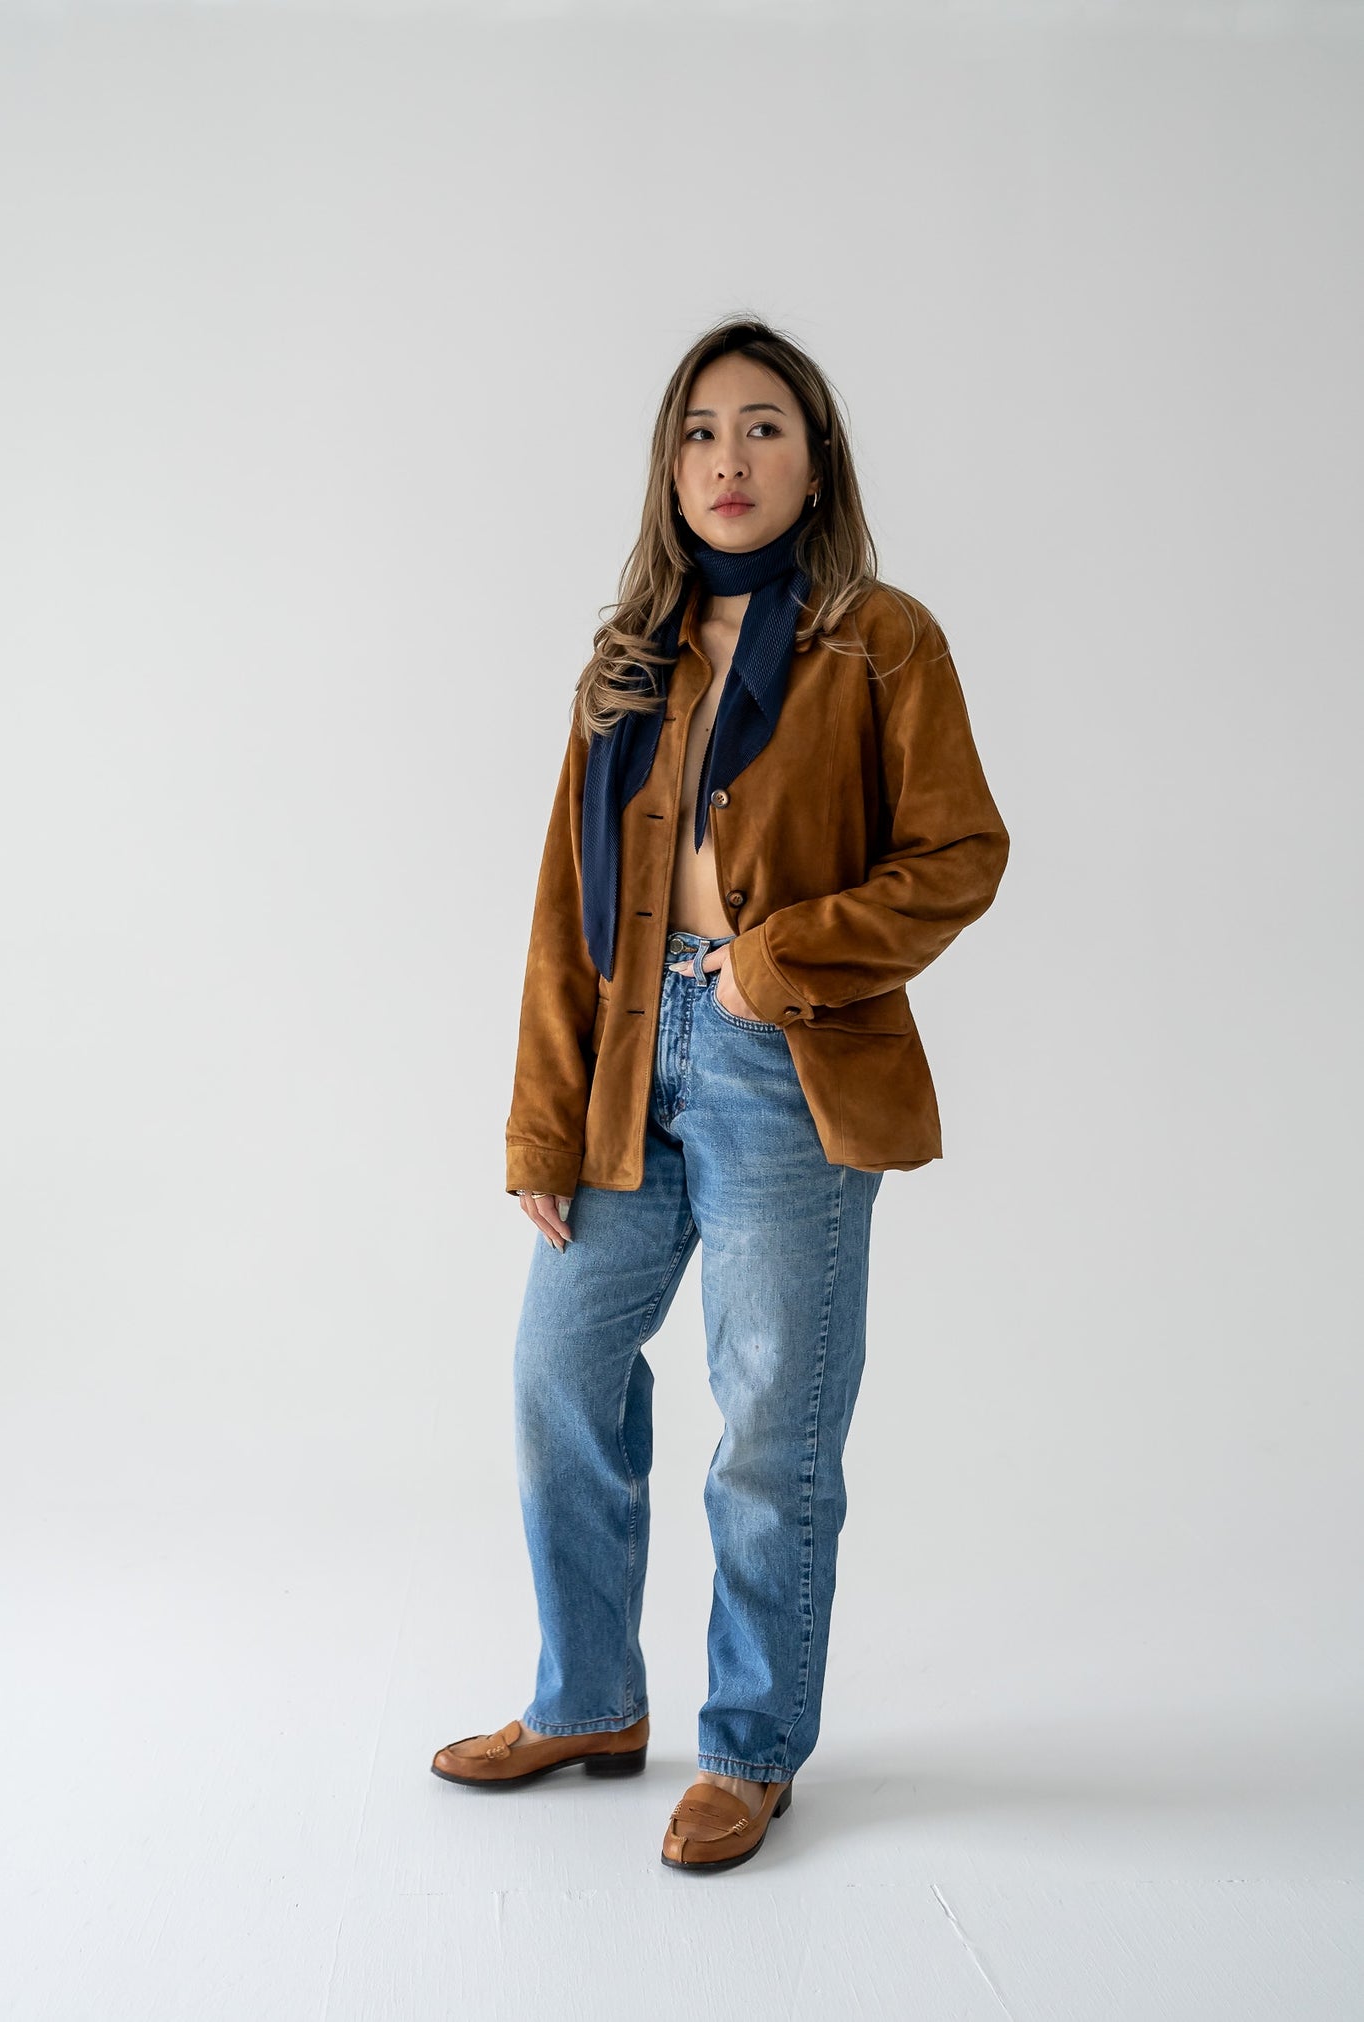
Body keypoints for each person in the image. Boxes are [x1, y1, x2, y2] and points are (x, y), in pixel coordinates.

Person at [431, 316, 1010, 1873]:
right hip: (627, 1062)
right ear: (667, 465)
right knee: (559, 1368)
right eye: (698, 430)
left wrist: (779, 959)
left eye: (761, 427)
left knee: (769, 1421)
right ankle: (588, 1702)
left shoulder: (880, 640)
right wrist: (542, 1124)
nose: (727, 457)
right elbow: (563, 915)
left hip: (785, 1065)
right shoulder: (626, 658)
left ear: (814, 460)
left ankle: (750, 1749)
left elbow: (960, 853)